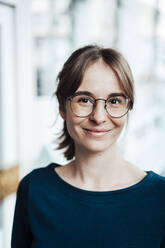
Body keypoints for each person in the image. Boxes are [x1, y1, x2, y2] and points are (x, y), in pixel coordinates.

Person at [11, 45, 165, 247]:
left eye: (115, 100)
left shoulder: (160, 197)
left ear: (128, 108)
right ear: (62, 107)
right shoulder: (34, 191)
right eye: (84, 99)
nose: (99, 117)